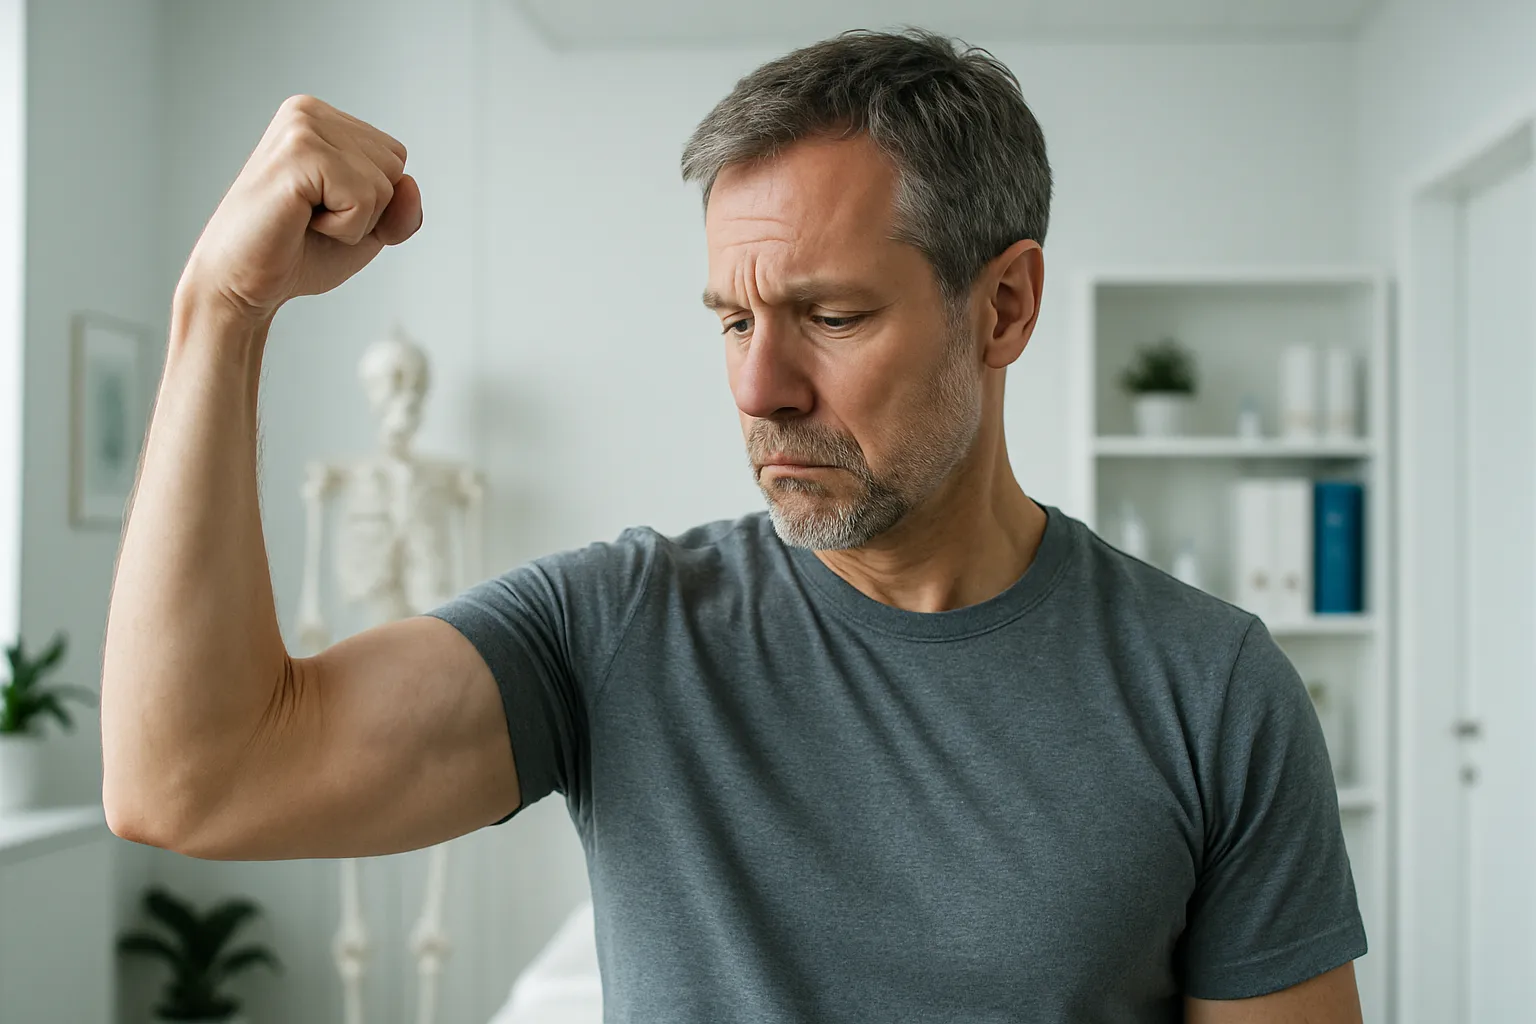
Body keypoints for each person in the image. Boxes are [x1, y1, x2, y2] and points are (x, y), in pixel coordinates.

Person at [101, 28, 1366, 1024]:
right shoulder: (615, 635)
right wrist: (223, 308)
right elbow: (190, 777)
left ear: (1005, 308)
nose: (760, 390)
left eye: (831, 315)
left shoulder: (1211, 684)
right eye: (731, 320)